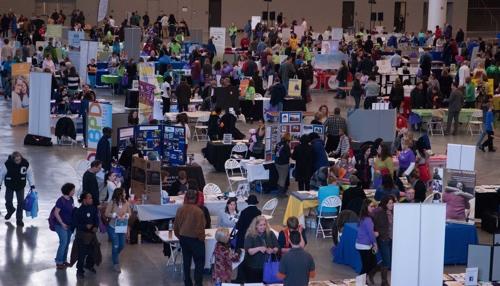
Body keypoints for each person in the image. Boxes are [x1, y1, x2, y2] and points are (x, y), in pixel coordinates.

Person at [173, 189, 206, 286]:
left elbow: (176, 226)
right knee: (199, 262)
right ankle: (198, 283)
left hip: (183, 238)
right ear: (196, 199)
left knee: (186, 262)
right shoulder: (198, 211)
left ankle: (187, 282)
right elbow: (200, 228)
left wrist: (180, 236)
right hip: (196, 240)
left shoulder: (180, 209)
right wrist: (201, 238)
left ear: (186, 198)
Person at [0, 151, 35, 227]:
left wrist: (32, 185)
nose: (18, 162)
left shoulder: (25, 164)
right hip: (10, 185)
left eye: (19, 160)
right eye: (16, 160)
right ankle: (10, 210)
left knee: (21, 203)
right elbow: (1, 174)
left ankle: (19, 219)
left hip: (20, 186)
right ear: (13, 159)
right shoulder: (7, 164)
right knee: (8, 200)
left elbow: (30, 174)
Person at [233, 195, 261, 282]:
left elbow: (239, 225)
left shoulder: (244, 212)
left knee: (242, 258)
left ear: (248, 202)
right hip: (254, 238)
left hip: (243, 238)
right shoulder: (258, 212)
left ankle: (240, 278)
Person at [72, 192, 99, 279]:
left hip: (91, 235)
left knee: (93, 251)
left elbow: (96, 219)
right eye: (89, 198)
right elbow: (75, 224)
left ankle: (89, 265)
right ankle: (79, 271)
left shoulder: (94, 209)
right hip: (82, 235)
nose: (91, 199)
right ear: (84, 200)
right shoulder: (78, 211)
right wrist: (85, 226)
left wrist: (96, 226)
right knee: (81, 253)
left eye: (91, 198)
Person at [244, 216, 279, 283]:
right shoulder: (250, 235)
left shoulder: (270, 233)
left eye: (264, 225)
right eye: (260, 225)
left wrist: (273, 250)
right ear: (256, 226)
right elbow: (249, 251)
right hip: (254, 267)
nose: (263, 227)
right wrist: (259, 248)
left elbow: (277, 247)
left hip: (268, 266)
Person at [105, 187, 131, 272]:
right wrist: (115, 215)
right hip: (112, 227)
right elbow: (106, 213)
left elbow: (129, 213)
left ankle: (114, 254)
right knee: (115, 245)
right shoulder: (112, 202)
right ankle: (116, 263)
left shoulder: (126, 202)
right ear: (119, 194)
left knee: (122, 245)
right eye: (124, 193)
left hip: (121, 227)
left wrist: (125, 216)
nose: (125, 194)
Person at [373, 195, 395, 286]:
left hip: (392, 239)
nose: (392, 204)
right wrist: (381, 234)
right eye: (390, 203)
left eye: (393, 202)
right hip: (384, 239)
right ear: (385, 203)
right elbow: (376, 226)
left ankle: (372, 271)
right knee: (387, 260)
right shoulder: (380, 213)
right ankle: (384, 281)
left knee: (388, 260)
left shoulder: (394, 212)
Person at [356, 199, 380, 284]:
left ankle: (362, 280)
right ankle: (360, 281)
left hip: (363, 244)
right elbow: (370, 233)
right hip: (364, 245)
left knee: (370, 264)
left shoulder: (363, 217)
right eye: (371, 206)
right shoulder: (367, 219)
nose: (373, 208)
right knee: (368, 265)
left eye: (374, 206)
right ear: (366, 207)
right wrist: (375, 244)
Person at [53, 183, 76, 269]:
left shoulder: (71, 199)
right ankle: (59, 261)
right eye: (73, 190)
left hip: (69, 225)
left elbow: (72, 209)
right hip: (60, 225)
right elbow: (56, 213)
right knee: (63, 242)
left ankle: (64, 260)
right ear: (68, 191)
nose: (74, 192)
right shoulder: (60, 200)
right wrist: (62, 223)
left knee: (66, 243)